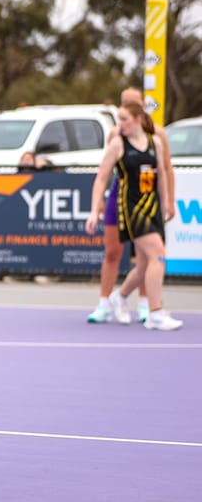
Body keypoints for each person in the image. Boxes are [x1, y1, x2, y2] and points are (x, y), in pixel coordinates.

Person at [85, 100, 182, 331]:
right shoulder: (118, 145)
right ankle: (155, 312)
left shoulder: (154, 143)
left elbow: (162, 176)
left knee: (145, 263)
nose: (121, 124)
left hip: (152, 206)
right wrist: (94, 209)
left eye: (125, 119)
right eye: (119, 120)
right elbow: (101, 178)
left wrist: (167, 202)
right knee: (158, 254)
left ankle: (120, 296)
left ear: (138, 119)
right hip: (131, 208)